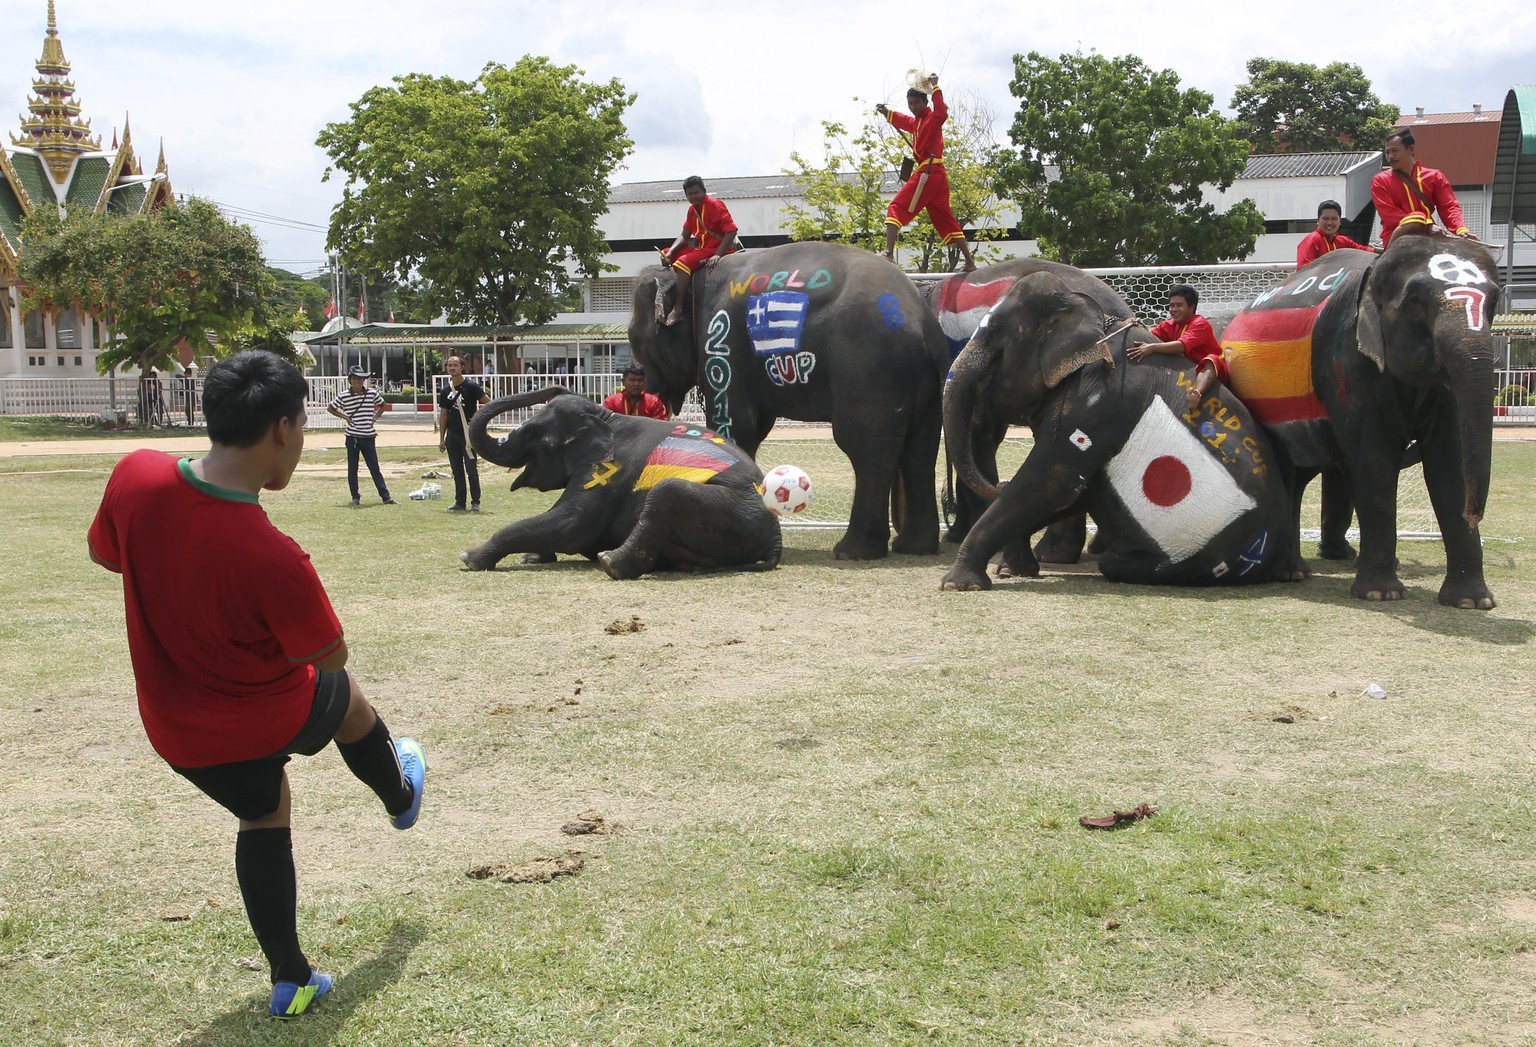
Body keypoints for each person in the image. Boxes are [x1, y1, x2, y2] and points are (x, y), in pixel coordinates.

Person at [86, 350, 426, 1020]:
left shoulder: (134, 474)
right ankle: (401, 792)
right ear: (281, 428)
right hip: (263, 713)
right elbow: (329, 654)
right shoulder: (271, 553)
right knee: (348, 699)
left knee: (264, 809)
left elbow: (106, 553)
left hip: (176, 732)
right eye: (303, 424)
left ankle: (291, 976)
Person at [877, 73, 977, 273]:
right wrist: (887, 112)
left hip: (929, 171)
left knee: (896, 206)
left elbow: (942, 112)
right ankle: (969, 262)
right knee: (944, 216)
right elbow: (903, 120)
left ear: (925, 102)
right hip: (937, 175)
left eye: (916, 103)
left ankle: (888, 252)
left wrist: (936, 87)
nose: (913, 107)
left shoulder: (932, 118)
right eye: (910, 103)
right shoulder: (917, 123)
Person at [1128, 284, 1227, 410]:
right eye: (1171, 305)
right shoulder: (1168, 325)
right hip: (1186, 369)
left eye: (1179, 305)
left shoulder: (1200, 324)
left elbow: (1182, 346)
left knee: (1211, 359)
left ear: (1191, 307)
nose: (1174, 309)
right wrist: (1135, 326)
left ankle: (1197, 393)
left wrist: (1152, 347)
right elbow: (1148, 337)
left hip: (1212, 369)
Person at [1370, 129, 1473, 246]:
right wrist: (1426, 225)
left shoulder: (1435, 176)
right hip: (1397, 239)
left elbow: (1448, 206)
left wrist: (1460, 229)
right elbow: (1389, 214)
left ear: (1411, 149)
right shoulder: (1380, 180)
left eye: (1395, 151)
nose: (1390, 157)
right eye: (1387, 152)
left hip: (1430, 236)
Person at [660, 175, 738, 326]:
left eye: (697, 192)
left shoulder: (715, 205)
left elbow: (731, 231)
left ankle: (678, 309)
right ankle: (686, 286)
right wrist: (670, 253)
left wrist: (717, 254)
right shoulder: (692, 210)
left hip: (715, 249)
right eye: (690, 194)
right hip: (702, 248)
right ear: (686, 195)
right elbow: (685, 235)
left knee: (683, 263)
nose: (694, 196)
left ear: (704, 191)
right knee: (666, 252)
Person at [327, 366, 396, 506]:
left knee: (374, 467)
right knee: (353, 468)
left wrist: (374, 418)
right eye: (354, 378)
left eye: (360, 378)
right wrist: (345, 417)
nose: (357, 381)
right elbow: (331, 408)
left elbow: (383, 405)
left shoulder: (371, 393)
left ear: (364, 380)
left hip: (368, 435)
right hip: (352, 436)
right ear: (350, 380)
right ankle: (355, 497)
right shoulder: (344, 395)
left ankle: (385, 496)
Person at [436, 355, 490, 512]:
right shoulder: (446, 390)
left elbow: (488, 403)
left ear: (462, 367)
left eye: (455, 365)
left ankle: (475, 502)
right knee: (456, 470)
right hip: (452, 435)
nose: (452, 368)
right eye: (449, 365)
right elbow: (444, 414)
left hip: (468, 435)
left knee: (471, 469)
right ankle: (460, 502)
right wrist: (442, 438)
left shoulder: (472, 387)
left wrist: (477, 422)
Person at [1296, 200, 1377, 267]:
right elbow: (1303, 271)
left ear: (1340, 222)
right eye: (1325, 219)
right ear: (1317, 221)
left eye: (1334, 219)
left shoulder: (1342, 241)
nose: (1329, 223)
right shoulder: (1311, 241)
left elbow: (1363, 250)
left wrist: (1382, 250)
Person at [601, 365, 669, 419]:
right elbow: (604, 425)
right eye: (632, 380)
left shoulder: (654, 402)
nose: (636, 384)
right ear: (623, 382)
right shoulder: (611, 401)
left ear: (645, 382)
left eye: (640, 380)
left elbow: (660, 426)